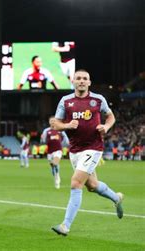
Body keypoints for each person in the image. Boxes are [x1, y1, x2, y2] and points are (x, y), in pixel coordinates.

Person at [51, 69, 124, 236]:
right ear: (73, 82)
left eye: (85, 78)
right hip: (75, 150)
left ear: (89, 82)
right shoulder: (66, 101)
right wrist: (67, 126)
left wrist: (105, 127)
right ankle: (116, 198)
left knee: (76, 182)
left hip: (93, 147)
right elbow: (56, 124)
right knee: (92, 186)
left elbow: (111, 117)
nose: (82, 81)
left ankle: (65, 225)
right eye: (78, 78)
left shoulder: (98, 100)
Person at [41, 116, 70, 189]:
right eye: (51, 121)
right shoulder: (46, 131)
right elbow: (43, 140)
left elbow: (66, 140)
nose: (52, 122)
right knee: (53, 166)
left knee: (55, 162)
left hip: (58, 150)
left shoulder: (60, 130)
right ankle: (56, 175)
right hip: (50, 151)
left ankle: (57, 176)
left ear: (56, 121)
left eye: (54, 121)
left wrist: (65, 145)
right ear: (49, 122)